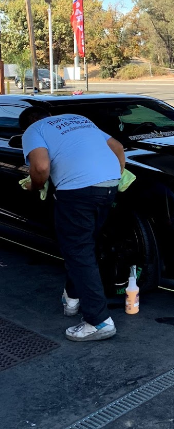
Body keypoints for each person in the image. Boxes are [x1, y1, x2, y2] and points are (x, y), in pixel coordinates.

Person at [19, 106, 125, 342]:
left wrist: (34, 186)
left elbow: (40, 167)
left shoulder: (33, 130)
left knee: (78, 252)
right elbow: (117, 147)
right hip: (109, 187)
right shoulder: (78, 119)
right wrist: (113, 178)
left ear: (27, 125)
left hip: (77, 192)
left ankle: (98, 322)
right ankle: (72, 297)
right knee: (83, 248)